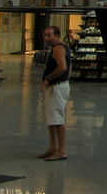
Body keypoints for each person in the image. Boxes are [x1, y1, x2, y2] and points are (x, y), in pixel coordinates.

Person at [38, 26, 71, 161]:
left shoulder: (58, 48)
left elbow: (62, 67)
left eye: (49, 35)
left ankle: (61, 151)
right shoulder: (61, 47)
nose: (46, 38)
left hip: (56, 87)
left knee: (57, 120)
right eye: (44, 35)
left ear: (57, 35)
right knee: (51, 119)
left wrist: (48, 79)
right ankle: (53, 147)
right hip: (57, 86)